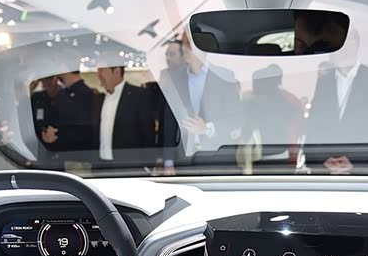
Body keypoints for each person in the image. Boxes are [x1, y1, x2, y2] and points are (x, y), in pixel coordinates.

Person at [304, 29, 368, 174]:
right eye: (338, 42)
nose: (343, 47)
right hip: (327, 169)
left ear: (357, 44)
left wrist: (354, 161)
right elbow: (314, 124)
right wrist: (322, 159)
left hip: (361, 169)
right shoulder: (324, 81)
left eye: (349, 41)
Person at [160, 33, 242, 173]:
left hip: (218, 159)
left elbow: (236, 118)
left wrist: (207, 128)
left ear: (202, 46)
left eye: (188, 43)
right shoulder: (175, 79)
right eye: (183, 43)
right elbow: (169, 124)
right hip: (183, 160)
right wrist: (168, 162)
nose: (183, 48)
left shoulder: (223, 76)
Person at [241, 64, 304, 166]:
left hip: (259, 156)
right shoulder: (289, 101)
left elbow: (244, 129)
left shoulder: (249, 101)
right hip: (280, 154)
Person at [96, 66, 155, 162]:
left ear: (116, 71)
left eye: (101, 70)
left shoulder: (139, 96)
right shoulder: (98, 99)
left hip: (128, 164)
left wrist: (148, 164)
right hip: (100, 164)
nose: (98, 74)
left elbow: (148, 135)